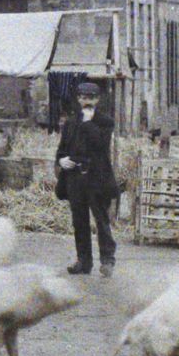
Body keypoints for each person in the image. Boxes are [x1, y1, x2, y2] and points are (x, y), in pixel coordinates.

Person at [55, 82, 120, 276]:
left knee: (101, 220)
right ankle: (84, 261)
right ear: (78, 99)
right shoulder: (70, 123)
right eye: (83, 98)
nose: (86, 102)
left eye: (91, 98)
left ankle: (107, 260)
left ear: (97, 100)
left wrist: (89, 123)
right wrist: (62, 160)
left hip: (97, 178)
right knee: (79, 221)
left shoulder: (105, 122)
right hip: (75, 178)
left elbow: (100, 145)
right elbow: (61, 149)